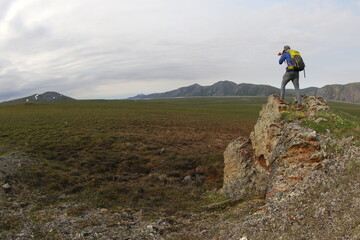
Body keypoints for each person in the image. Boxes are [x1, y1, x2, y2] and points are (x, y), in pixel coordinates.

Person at [278, 45, 303, 110]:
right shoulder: (294, 53)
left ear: (284, 49)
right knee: (297, 88)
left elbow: (280, 62)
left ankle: (281, 99)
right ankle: (300, 105)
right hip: (296, 72)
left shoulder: (286, 54)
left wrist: (282, 55)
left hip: (289, 72)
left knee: (283, 84)